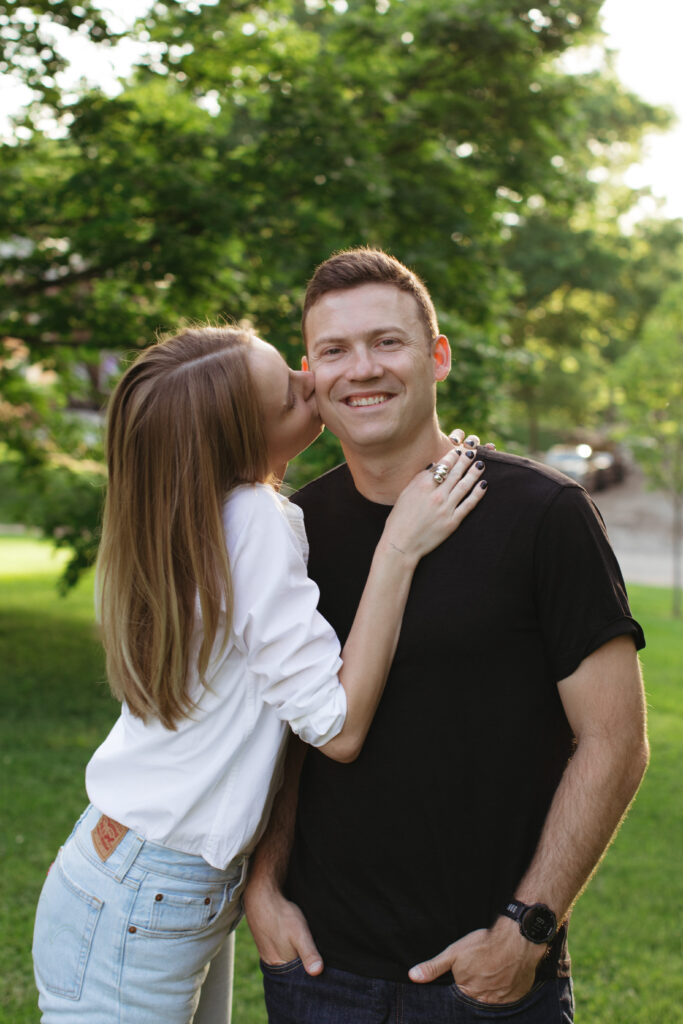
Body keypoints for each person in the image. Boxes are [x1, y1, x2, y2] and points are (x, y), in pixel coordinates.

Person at [31, 324, 488, 1024]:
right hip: (144, 893)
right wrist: (398, 546)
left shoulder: (190, 518)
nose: (313, 382)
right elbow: (333, 727)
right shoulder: (254, 519)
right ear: (241, 445)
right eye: (289, 394)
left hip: (130, 877)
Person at [244, 248, 649, 1024]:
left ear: (437, 357)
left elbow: (614, 743)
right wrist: (264, 887)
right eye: (334, 350)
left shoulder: (543, 516)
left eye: (386, 342)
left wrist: (526, 929)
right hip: (317, 972)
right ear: (310, 374)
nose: (361, 369)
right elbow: (289, 730)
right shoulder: (292, 529)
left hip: (486, 978)